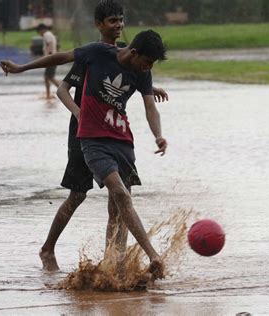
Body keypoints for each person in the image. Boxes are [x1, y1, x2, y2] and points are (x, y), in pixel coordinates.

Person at [0, 29, 168, 278]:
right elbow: (59, 60)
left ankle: (115, 267)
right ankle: (153, 255)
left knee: (118, 207)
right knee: (105, 194)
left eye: (120, 21)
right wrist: (22, 68)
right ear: (134, 52)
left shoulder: (141, 71)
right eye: (146, 62)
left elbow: (150, 107)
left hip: (122, 141)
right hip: (90, 139)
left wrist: (158, 135)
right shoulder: (96, 52)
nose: (118, 25)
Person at [41, 0, 168, 272]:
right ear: (99, 25)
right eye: (112, 21)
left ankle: (114, 262)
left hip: (114, 134)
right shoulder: (92, 55)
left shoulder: (133, 61)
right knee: (77, 194)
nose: (118, 25)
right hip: (84, 132)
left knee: (119, 200)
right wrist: (79, 114)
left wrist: (149, 84)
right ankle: (47, 249)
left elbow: (130, 75)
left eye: (121, 20)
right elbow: (64, 89)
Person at [36, 23, 61, 99]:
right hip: (51, 58)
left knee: (50, 77)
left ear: (41, 30)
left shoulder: (47, 35)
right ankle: (48, 94)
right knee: (47, 77)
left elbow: (49, 45)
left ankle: (63, 89)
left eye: (39, 32)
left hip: (51, 59)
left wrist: (48, 57)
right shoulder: (49, 34)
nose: (39, 34)